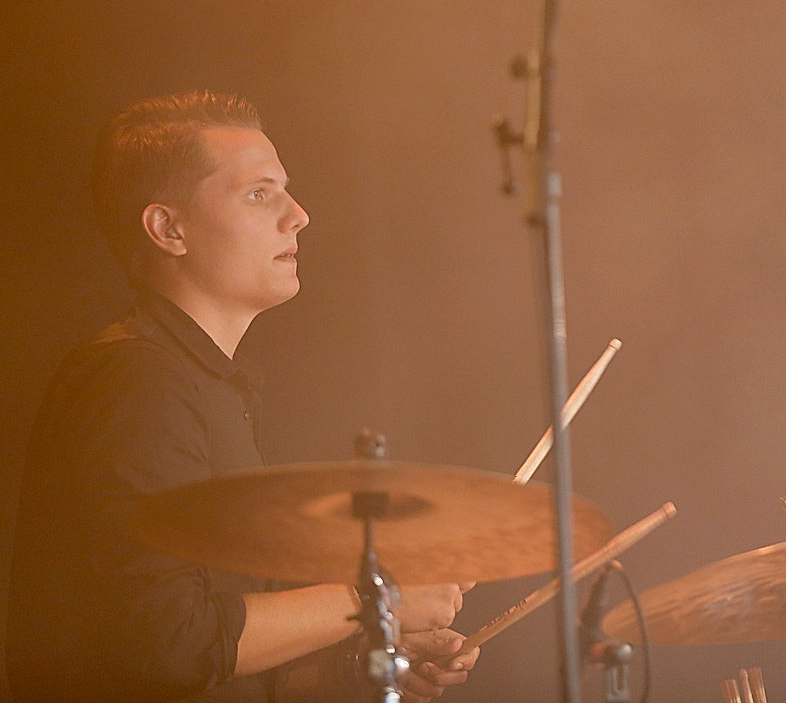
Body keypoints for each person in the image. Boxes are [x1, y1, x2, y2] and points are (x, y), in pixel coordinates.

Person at [6, 91, 479, 702]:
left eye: (286, 191)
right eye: (259, 193)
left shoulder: (211, 384)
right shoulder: (138, 380)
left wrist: (360, 669)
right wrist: (377, 599)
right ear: (168, 229)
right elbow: (165, 642)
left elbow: (209, 665)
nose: (298, 215)